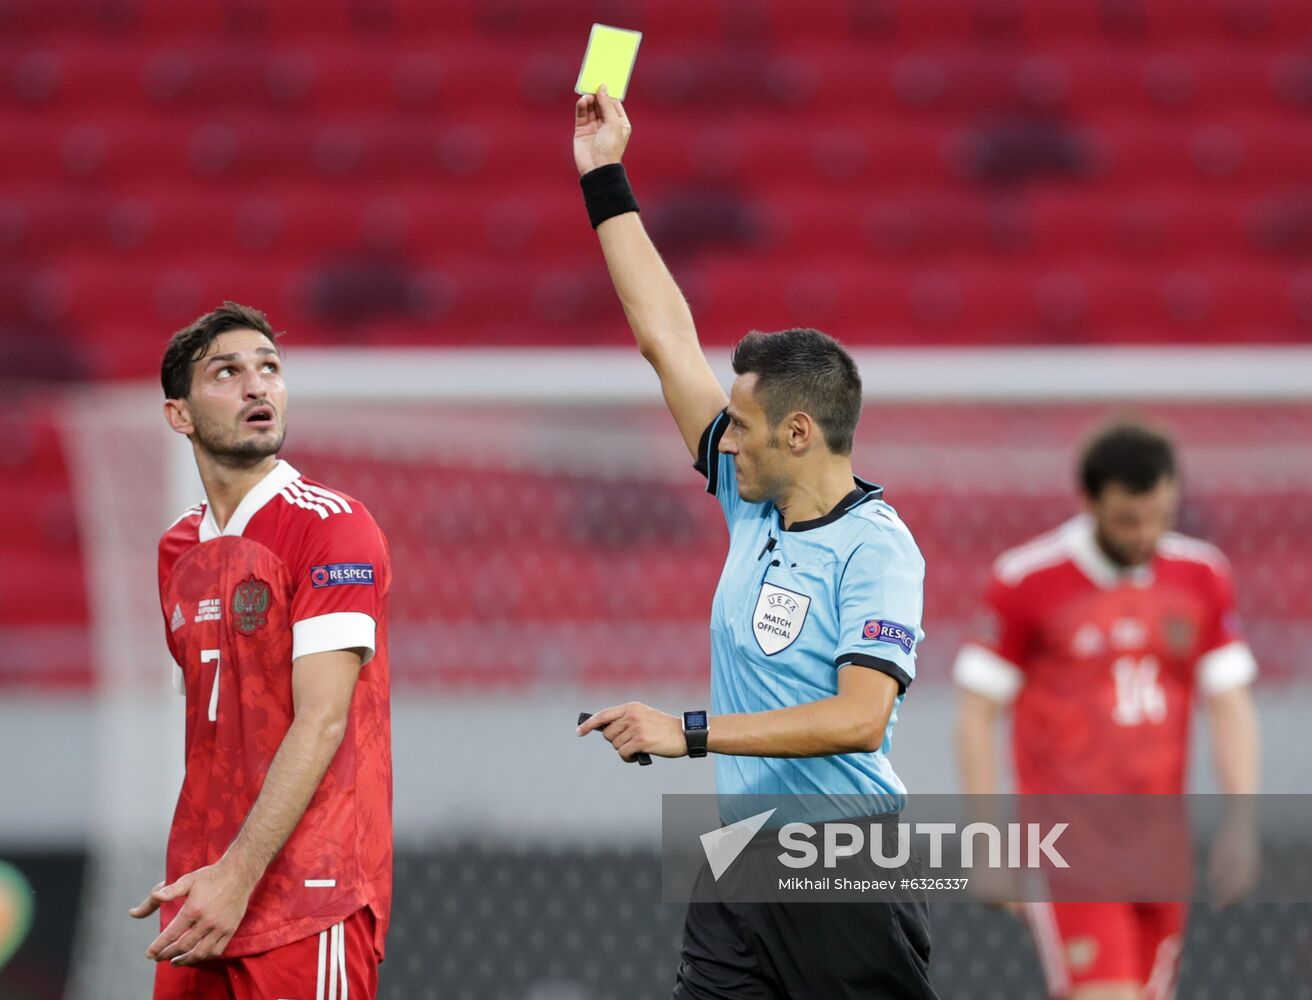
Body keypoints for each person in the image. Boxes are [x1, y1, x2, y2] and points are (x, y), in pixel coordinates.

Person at [572, 86, 938, 999]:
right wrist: (604, 174)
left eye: (739, 425)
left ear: (801, 432)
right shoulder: (753, 500)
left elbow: (859, 717)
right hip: (741, 859)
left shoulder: (878, 550)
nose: (721, 441)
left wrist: (689, 733)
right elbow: (667, 340)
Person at [131, 302, 393, 999]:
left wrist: (237, 876)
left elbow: (323, 720)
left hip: (308, 895)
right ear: (179, 415)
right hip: (202, 894)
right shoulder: (177, 549)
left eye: (270, 369)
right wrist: (212, 877)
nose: (258, 386)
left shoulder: (332, 528)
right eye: (227, 372)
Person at [953, 421, 1261, 1000]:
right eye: (1126, 520)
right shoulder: (1028, 580)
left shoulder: (1203, 575)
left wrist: (1241, 824)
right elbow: (975, 712)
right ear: (1089, 501)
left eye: (1158, 516)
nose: (1144, 533)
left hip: (1162, 846)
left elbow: (1231, 705)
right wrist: (985, 839)